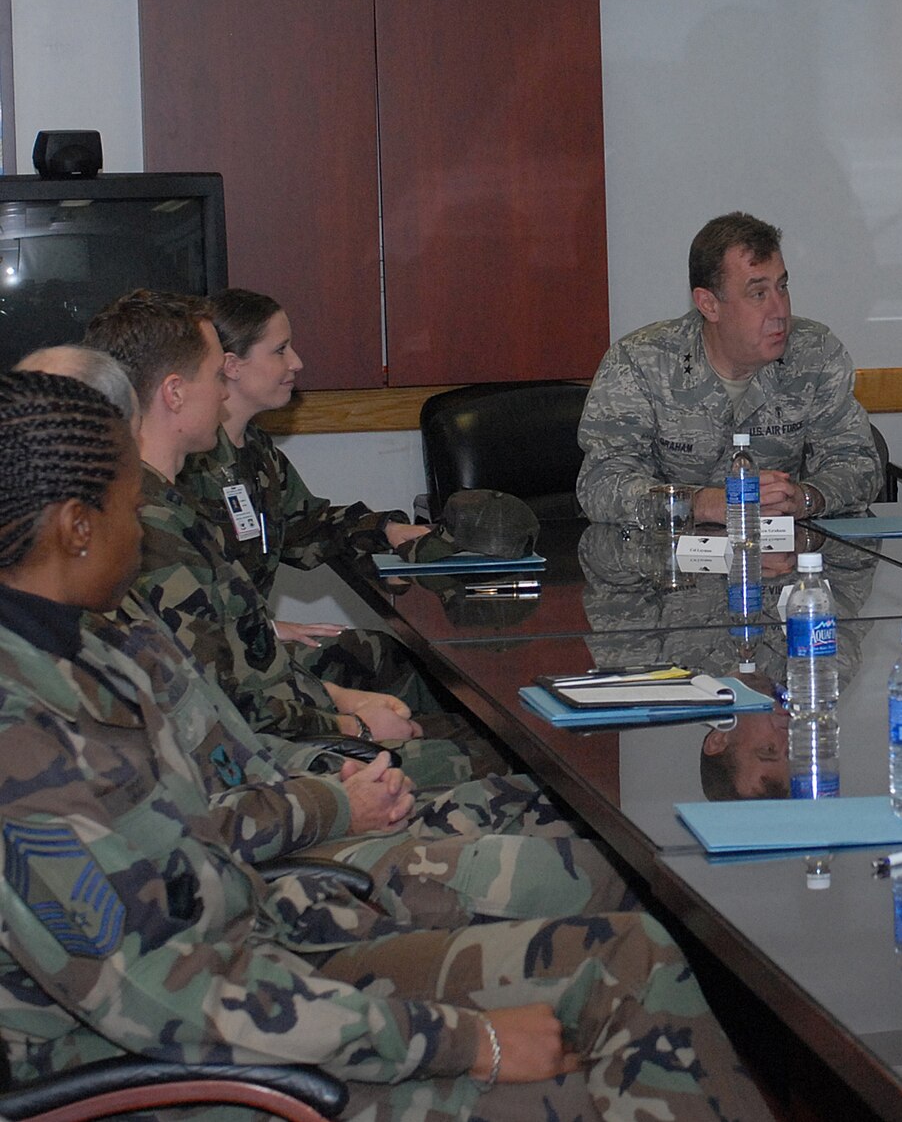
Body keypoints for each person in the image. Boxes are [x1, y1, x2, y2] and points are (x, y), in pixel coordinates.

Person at [0, 368, 774, 1121]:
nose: (144, 531)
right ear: (76, 527)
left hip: (262, 946)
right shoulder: (20, 742)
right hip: (178, 1070)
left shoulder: (86, 648)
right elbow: (164, 994)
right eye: (133, 509)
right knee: (600, 1076)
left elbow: (203, 840)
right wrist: (464, 1038)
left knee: (632, 956)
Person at [83, 290, 493, 785]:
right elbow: (222, 701)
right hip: (260, 765)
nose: (222, 393)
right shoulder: (152, 525)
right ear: (175, 392)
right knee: (499, 760)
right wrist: (351, 721)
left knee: (458, 723)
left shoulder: (158, 503)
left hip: (268, 723)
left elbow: (235, 655)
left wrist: (337, 702)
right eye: (216, 376)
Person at [180, 288, 443, 705]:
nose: (296, 362)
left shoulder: (257, 452)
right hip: (221, 662)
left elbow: (305, 527)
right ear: (231, 365)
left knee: (391, 658)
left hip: (250, 642)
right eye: (280, 350)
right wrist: (263, 631)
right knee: (393, 669)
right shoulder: (187, 466)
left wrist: (387, 531)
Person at [578, 211, 881, 523]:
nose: (780, 309)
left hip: (780, 559)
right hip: (669, 562)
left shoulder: (815, 353)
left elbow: (858, 464)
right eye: (758, 293)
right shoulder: (639, 362)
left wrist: (804, 498)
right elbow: (601, 484)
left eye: (782, 287)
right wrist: (704, 504)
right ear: (709, 304)